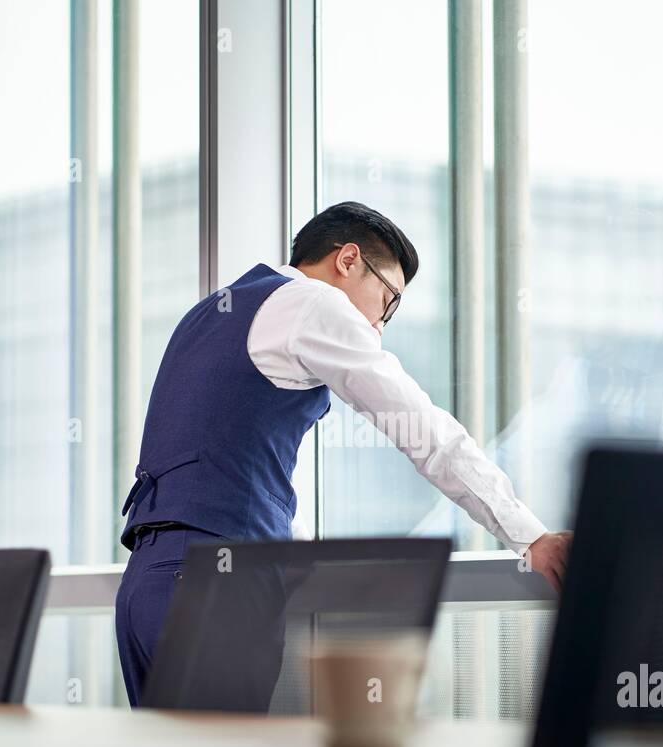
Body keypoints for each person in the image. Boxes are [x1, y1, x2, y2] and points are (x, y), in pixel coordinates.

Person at [114, 201, 572, 707]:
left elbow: (235, 455)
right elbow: (421, 428)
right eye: (387, 300)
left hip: (145, 584)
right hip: (212, 592)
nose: (380, 323)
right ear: (348, 260)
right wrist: (529, 535)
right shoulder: (315, 304)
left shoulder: (211, 312)